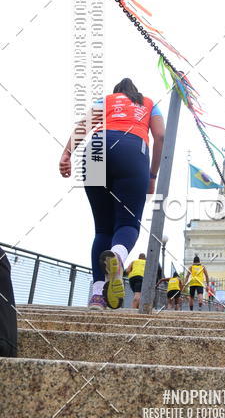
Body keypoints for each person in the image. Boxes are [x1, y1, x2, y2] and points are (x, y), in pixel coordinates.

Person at [59, 78, 165, 310]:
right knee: (128, 223)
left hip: (96, 148)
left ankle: (97, 295)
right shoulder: (148, 103)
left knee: (103, 229)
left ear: (117, 92)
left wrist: (67, 154)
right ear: (135, 92)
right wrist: (152, 176)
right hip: (131, 151)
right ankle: (117, 257)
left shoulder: (105, 100)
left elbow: (83, 126)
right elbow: (160, 137)